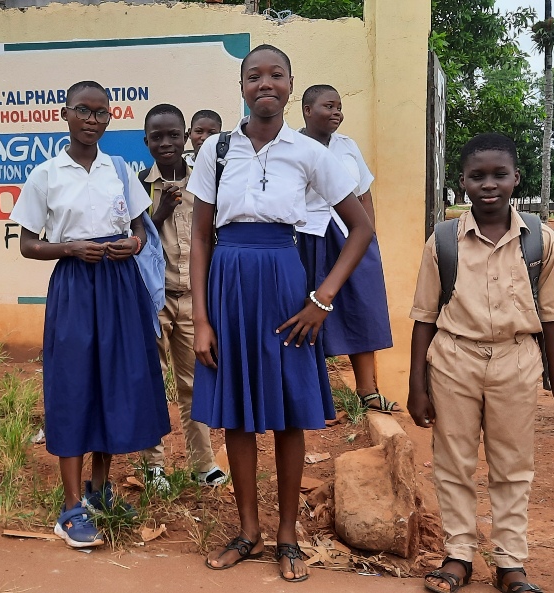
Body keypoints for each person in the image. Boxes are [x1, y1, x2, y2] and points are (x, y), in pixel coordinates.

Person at [187, 45, 373, 582]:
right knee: (238, 412)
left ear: (291, 85)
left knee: (290, 411)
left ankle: (287, 534)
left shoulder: (309, 152)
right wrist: (201, 319)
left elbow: (360, 229)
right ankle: (248, 530)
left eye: (276, 75)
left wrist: (323, 299)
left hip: (287, 285)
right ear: (241, 86)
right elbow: (200, 237)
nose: (264, 83)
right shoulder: (217, 150)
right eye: (254, 75)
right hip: (227, 283)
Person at [11, 80, 171, 549]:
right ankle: (70, 507)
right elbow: (26, 244)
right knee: (75, 386)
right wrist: (70, 248)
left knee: (113, 385)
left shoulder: (118, 169)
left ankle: (99, 491)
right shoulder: (46, 174)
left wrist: (135, 243)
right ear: (65, 113)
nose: (93, 120)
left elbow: (141, 228)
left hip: (120, 286)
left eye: (101, 113)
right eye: (83, 110)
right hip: (76, 286)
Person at [408, 133, 550, 593]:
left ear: (516, 179)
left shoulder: (540, 240)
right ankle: (459, 556)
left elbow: (549, 314)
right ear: (463, 182)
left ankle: (510, 564)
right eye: (477, 176)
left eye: (499, 175)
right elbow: (425, 316)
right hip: (454, 359)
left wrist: (552, 369)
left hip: (517, 358)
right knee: (454, 462)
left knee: (513, 464)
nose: (489, 184)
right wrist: (417, 384)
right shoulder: (445, 240)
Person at [138, 103, 227, 493]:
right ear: (146, 142)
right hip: (153, 300)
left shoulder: (204, 185)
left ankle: (202, 464)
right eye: (157, 137)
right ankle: (153, 466)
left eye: (174, 134)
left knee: (194, 384)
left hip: (194, 300)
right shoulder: (139, 186)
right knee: (152, 384)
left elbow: (215, 241)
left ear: (187, 136)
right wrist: (158, 213)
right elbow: (135, 241)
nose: (166, 143)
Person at [295, 84, 397, 412]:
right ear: (308, 110)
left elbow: (363, 193)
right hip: (307, 237)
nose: (337, 112)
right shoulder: (290, 146)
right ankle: (314, 400)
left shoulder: (348, 146)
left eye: (339, 106)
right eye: (329, 106)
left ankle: (367, 390)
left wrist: (370, 234)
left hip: (351, 237)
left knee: (362, 309)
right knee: (307, 312)